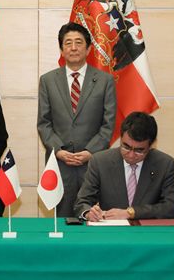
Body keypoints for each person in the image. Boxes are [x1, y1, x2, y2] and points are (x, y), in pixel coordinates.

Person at [37, 22, 116, 217]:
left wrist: (91, 151)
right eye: (68, 43)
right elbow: (44, 123)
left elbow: (109, 123)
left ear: (88, 48)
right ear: (61, 49)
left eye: (79, 42)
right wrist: (59, 151)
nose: (73, 47)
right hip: (60, 164)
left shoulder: (105, 81)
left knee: (94, 217)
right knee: (62, 220)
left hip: (93, 164)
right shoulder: (47, 80)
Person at [74, 112, 174, 221]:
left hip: (147, 233)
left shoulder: (165, 164)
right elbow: (82, 202)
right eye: (126, 147)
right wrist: (88, 213)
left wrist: (131, 213)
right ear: (120, 138)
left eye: (139, 150)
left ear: (151, 145)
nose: (131, 155)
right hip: (111, 233)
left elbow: (171, 208)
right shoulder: (100, 162)